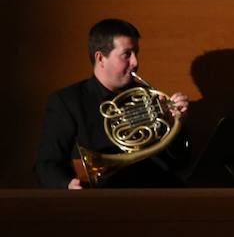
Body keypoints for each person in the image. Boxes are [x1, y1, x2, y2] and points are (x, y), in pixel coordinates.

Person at [35, 18, 190, 189]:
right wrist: (67, 185)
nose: (135, 62)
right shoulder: (68, 101)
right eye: (127, 54)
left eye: (136, 53)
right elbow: (46, 165)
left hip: (148, 193)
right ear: (101, 58)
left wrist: (176, 124)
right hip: (98, 198)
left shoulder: (149, 97)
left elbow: (177, 163)